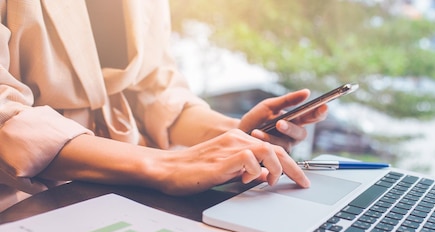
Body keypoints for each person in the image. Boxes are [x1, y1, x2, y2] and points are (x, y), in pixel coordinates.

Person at [0, 0, 327, 212]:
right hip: (26, 201)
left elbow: (155, 88)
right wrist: (165, 166)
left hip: (133, 191)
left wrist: (233, 133)